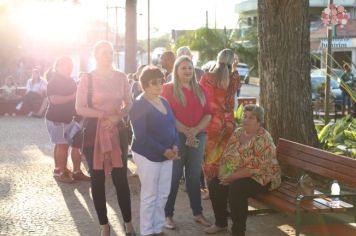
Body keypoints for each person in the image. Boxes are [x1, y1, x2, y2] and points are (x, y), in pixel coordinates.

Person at [75, 40, 135, 236]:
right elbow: (80, 108)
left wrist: (118, 116)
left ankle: (128, 223)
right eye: (103, 53)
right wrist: (102, 115)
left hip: (118, 130)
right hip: (94, 131)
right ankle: (104, 225)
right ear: (96, 55)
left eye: (110, 52)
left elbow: (129, 102)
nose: (108, 56)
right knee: (97, 179)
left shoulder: (121, 76)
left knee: (121, 179)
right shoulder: (88, 78)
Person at [207, 104, 281, 236]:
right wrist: (224, 175)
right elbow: (227, 156)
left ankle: (238, 232)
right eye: (245, 116)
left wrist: (232, 177)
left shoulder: (263, 139)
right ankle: (221, 223)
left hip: (263, 177)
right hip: (239, 174)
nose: (246, 120)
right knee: (215, 183)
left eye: (251, 118)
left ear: (259, 121)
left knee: (237, 188)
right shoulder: (238, 132)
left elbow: (255, 168)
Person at [162, 56, 212, 229]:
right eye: (183, 68)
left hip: (198, 136)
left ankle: (197, 213)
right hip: (176, 138)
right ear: (176, 70)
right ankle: (167, 215)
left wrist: (195, 131)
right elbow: (167, 115)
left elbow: (208, 114)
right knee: (174, 177)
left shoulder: (201, 89)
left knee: (193, 177)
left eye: (190, 68)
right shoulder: (167, 90)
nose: (188, 71)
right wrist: (186, 131)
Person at [130, 66, 179, 236]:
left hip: (168, 154)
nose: (159, 86)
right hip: (148, 155)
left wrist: (175, 146)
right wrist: (163, 150)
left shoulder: (163, 100)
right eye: (154, 83)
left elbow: (173, 126)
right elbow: (141, 136)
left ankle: (157, 228)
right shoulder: (138, 104)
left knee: (164, 193)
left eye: (161, 82)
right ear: (143, 85)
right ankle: (146, 231)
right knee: (150, 194)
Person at [199, 49, 240, 233]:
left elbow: (201, 101)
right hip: (229, 128)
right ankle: (228, 212)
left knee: (212, 176)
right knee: (227, 171)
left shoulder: (207, 78)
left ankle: (220, 221)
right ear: (233, 61)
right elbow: (234, 102)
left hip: (211, 129)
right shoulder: (235, 77)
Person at [45, 57, 91, 183]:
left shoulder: (70, 80)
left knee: (66, 145)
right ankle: (61, 172)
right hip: (56, 119)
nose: (70, 69)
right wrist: (73, 96)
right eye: (67, 66)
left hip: (69, 119)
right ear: (59, 66)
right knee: (62, 145)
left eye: (71, 66)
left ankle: (67, 171)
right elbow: (54, 100)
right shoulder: (53, 81)